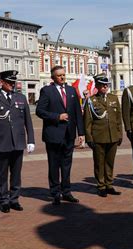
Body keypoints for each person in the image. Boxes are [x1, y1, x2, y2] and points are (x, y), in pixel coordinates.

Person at [0, 70, 35, 213]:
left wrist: (30, 140)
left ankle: (14, 199)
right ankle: (3, 200)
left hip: (18, 142)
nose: (13, 85)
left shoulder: (21, 98)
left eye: (14, 82)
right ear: (2, 83)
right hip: (1, 143)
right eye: (10, 82)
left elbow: (28, 122)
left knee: (16, 173)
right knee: (2, 173)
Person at [36, 65, 85, 205]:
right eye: (59, 75)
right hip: (53, 134)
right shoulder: (47, 91)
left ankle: (67, 192)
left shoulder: (71, 90)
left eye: (64, 74)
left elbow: (77, 113)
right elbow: (40, 111)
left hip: (69, 134)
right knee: (54, 165)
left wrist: (81, 133)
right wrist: (57, 117)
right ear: (53, 77)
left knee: (66, 165)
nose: (62, 77)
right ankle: (55, 193)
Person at [83, 74, 123, 197]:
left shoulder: (113, 98)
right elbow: (87, 122)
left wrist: (120, 134)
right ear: (97, 86)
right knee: (99, 162)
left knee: (110, 161)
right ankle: (101, 185)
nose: (105, 87)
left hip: (113, 136)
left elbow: (118, 119)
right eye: (102, 85)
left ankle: (109, 184)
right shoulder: (91, 101)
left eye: (106, 85)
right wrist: (89, 138)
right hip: (98, 136)